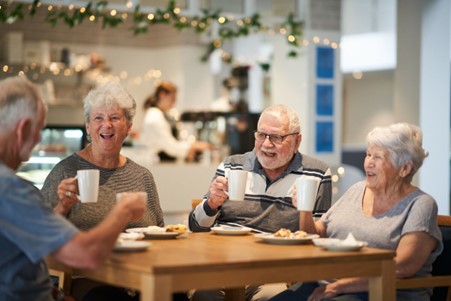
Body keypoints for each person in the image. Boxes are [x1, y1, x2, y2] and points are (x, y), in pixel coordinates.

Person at [0, 76, 146, 301]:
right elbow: (88, 255)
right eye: (39, 130)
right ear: (23, 129)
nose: (38, 138)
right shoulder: (11, 190)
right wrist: (123, 210)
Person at [269, 123, 443, 301]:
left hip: (380, 293)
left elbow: (402, 266)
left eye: (378, 157)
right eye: (368, 155)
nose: (369, 162)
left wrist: (338, 287)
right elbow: (314, 236)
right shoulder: (357, 190)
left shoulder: (421, 205)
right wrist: (304, 209)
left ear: (404, 169)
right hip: (326, 284)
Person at [40, 81, 174, 300]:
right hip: (84, 278)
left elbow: (159, 231)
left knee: (174, 295)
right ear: (88, 126)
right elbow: (41, 238)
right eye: (98, 118)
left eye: (114, 118)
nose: (106, 125)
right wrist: (62, 206)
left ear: (128, 126)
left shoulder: (142, 176)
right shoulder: (65, 172)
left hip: (138, 276)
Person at [188, 104, 332, 301]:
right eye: (261, 135)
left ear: (297, 141)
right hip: (224, 264)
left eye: (277, 137)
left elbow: (317, 241)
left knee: (270, 299)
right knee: (203, 296)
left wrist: (304, 210)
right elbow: (195, 226)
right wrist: (211, 204)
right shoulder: (231, 165)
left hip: (275, 271)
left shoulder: (317, 173)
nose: (266, 144)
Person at [138, 81, 210, 163]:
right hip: (156, 164)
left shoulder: (159, 114)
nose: (174, 102)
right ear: (162, 95)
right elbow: (170, 146)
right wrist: (192, 146)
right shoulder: (154, 117)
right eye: (172, 98)